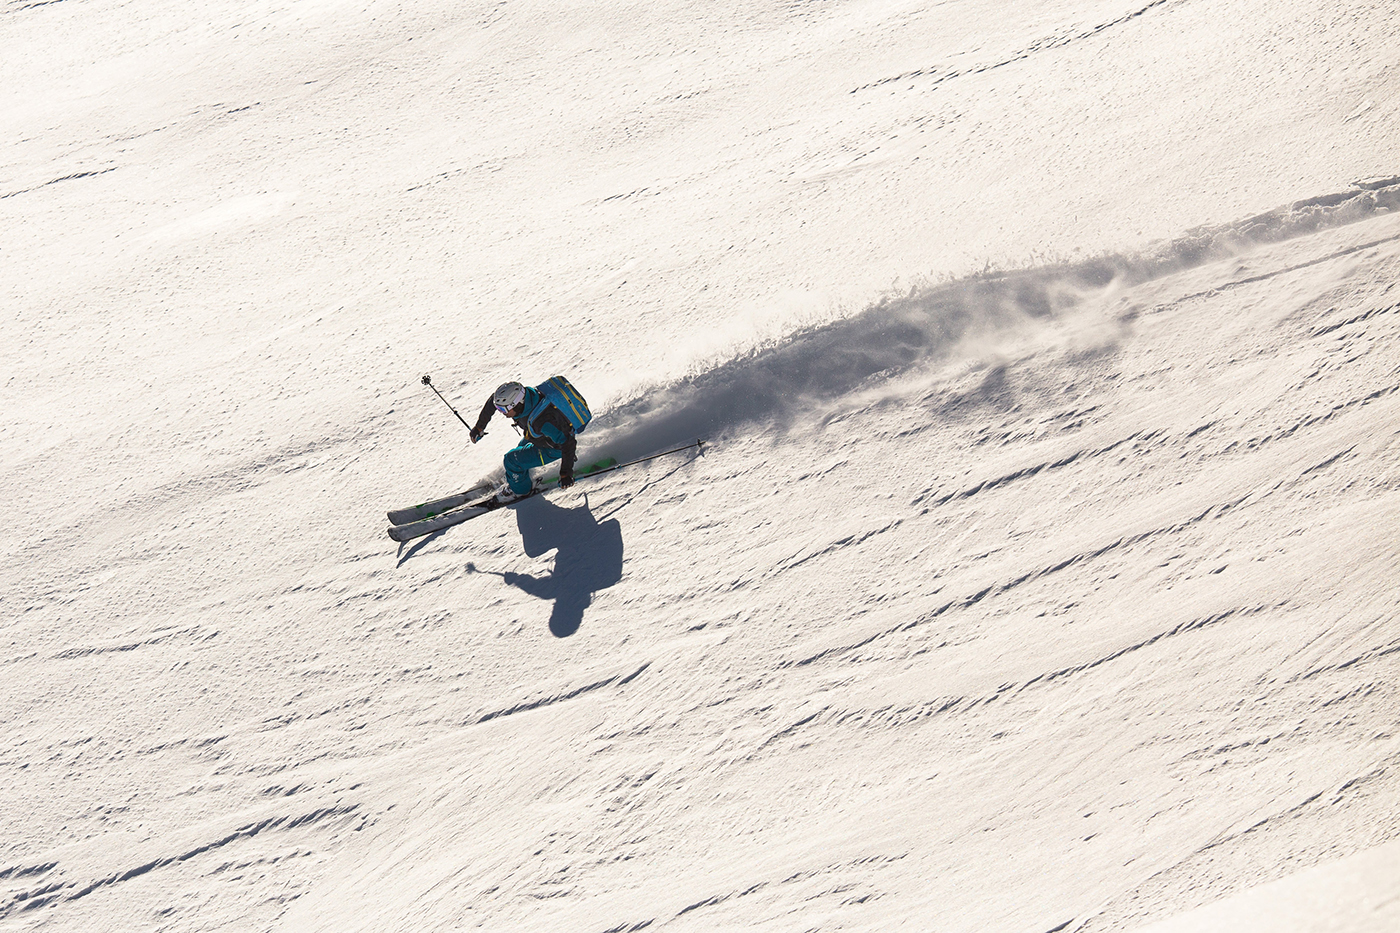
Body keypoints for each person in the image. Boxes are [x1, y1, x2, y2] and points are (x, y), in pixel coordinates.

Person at [470, 380, 577, 502]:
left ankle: (520, 491)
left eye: (503, 409)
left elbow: (568, 442)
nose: (501, 412)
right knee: (519, 450)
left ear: (516, 405)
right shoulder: (525, 398)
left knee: (511, 460)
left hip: (552, 449)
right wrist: (479, 427)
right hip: (539, 438)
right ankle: (517, 477)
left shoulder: (542, 422)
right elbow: (492, 402)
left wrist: (566, 473)